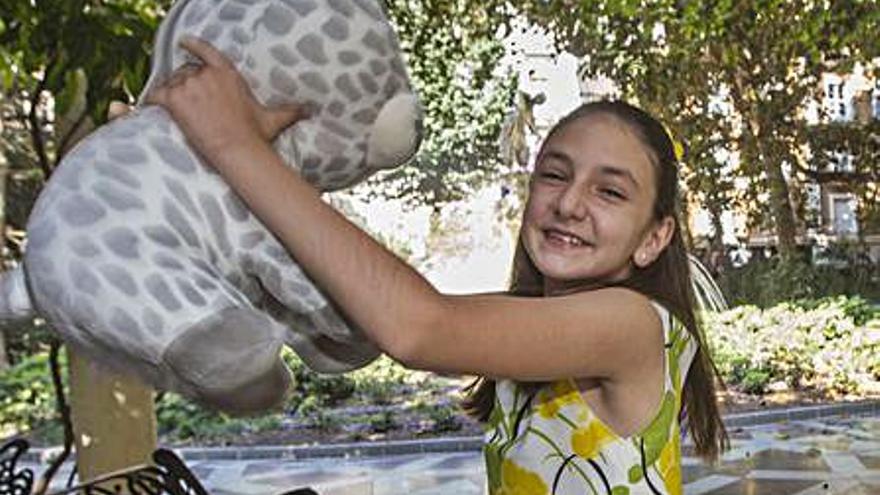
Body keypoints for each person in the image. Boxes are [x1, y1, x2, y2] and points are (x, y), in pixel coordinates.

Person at [143, 36, 728, 494]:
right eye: (554, 173)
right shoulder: (538, 324)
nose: (570, 203)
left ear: (653, 239)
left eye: (610, 192)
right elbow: (374, 303)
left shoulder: (628, 323)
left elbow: (419, 328)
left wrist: (233, 145)